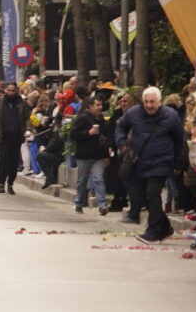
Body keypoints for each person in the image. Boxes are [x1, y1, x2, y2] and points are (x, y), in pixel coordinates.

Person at [114, 86, 185, 244]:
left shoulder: (171, 116)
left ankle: (152, 231)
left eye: (152, 102)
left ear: (160, 102)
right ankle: (165, 226)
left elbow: (179, 139)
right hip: (139, 161)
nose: (149, 105)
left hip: (161, 161)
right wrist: (121, 142)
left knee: (153, 195)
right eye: (146, 102)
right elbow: (120, 126)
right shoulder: (133, 113)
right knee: (142, 197)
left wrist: (178, 161)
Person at [70, 97, 109, 215]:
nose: (100, 108)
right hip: (84, 156)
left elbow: (105, 139)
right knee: (82, 181)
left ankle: (102, 205)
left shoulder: (103, 121)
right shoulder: (82, 119)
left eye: (101, 105)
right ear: (90, 106)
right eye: (97, 105)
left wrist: (106, 155)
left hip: (98, 155)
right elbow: (73, 135)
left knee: (99, 178)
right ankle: (79, 203)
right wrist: (88, 133)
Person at [0, 82, 28, 194]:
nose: (11, 93)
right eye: (9, 90)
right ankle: (1, 183)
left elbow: (27, 118)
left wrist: (27, 130)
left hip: (16, 136)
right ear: (5, 90)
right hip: (3, 136)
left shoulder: (21, 103)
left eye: (13, 91)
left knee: (14, 162)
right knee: (3, 160)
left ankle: (10, 183)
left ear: (16, 91)